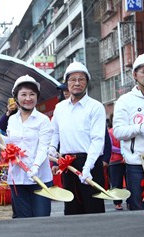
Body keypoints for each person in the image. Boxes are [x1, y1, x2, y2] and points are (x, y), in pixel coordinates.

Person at [49, 62, 107, 215]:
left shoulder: (95, 107)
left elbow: (97, 140)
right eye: (72, 79)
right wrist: (52, 148)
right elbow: (54, 132)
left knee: (93, 208)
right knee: (72, 209)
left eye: (81, 79)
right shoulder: (60, 108)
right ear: (66, 83)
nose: (77, 83)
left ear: (87, 82)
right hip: (68, 165)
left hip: (90, 163)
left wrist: (88, 167)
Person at [0, 75, 53, 218]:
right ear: (16, 97)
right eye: (23, 94)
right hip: (18, 178)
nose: (28, 98)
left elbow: (43, 146)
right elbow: (12, 143)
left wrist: (36, 166)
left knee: (41, 218)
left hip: (39, 178)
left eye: (32, 94)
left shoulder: (43, 120)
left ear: (37, 97)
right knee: (22, 220)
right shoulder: (12, 120)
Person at [112, 53, 144, 210]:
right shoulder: (125, 100)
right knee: (139, 209)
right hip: (137, 164)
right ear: (135, 74)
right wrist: (141, 128)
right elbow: (118, 131)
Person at [107, 114, 126, 210]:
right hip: (115, 161)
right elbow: (110, 147)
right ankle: (117, 202)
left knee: (130, 183)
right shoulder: (110, 132)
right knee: (116, 183)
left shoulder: (125, 130)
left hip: (127, 160)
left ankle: (131, 201)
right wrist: (123, 151)